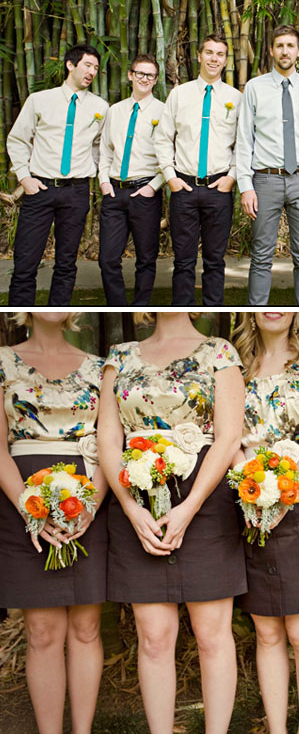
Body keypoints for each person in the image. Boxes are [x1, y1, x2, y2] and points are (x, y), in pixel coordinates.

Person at [98, 311, 246, 734]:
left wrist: (191, 505)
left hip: (204, 501)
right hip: (137, 501)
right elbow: (109, 439)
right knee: (155, 637)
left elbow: (228, 437)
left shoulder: (220, 352)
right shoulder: (119, 356)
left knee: (212, 635)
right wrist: (130, 508)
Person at [232, 312, 299, 734]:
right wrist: (251, 489)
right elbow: (228, 435)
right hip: (249, 501)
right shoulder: (232, 364)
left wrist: (286, 490)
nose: (273, 308)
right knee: (266, 630)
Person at [0, 312, 107, 734]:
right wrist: (30, 508)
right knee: (42, 629)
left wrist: (92, 504)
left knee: (86, 626)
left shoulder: (101, 367)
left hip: (88, 498)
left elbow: (110, 441)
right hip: (20, 497)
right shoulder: (3, 361)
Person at [236, 25, 299, 306]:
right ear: (271, 50)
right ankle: (256, 312)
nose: (285, 51)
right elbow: (245, 140)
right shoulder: (254, 88)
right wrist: (246, 186)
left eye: (290, 45)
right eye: (279, 45)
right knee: (261, 254)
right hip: (265, 181)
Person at [7, 44, 108, 305]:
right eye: (87, 65)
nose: (92, 72)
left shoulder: (101, 107)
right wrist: (24, 177)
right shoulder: (40, 100)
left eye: (96, 68)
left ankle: (56, 317)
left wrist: (92, 172)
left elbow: (101, 146)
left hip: (76, 191)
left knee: (66, 263)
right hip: (39, 189)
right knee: (25, 261)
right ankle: (20, 322)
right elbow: (18, 140)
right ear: (70, 65)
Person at [155, 35, 241, 306]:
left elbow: (244, 142)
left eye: (220, 54)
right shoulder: (179, 94)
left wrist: (232, 176)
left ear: (225, 60)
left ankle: (212, 311)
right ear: (199, 55)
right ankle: (181, 311)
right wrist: (170, 177)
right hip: (185, 187)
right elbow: (163, 137)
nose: (214, 59)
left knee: (215, 260)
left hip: (219, 187)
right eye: (209, 53)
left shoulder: (236, 98)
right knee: (183, 260)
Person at [98, 54, 164, 306]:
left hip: (144, 192)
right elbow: (105, 150)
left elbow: (171, 154)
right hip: (114, 192)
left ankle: (140, 308)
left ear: (155, 80)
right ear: (130, 75)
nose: (144, 79)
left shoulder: (163, 111)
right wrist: (104, 181)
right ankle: (117, 308)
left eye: (150, 75)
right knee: (108, 259)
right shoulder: (114, 111)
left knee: (146, 258)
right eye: (140, 73)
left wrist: (153, 187)